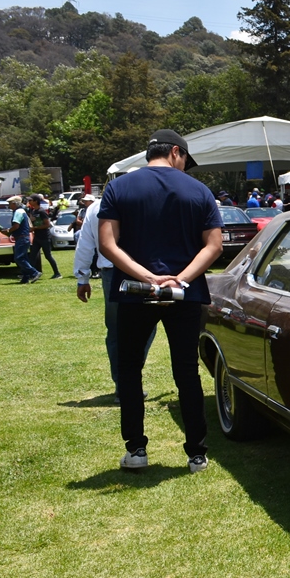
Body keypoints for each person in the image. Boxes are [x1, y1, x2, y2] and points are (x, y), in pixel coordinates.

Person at [98, 129, 223, 474]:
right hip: (184, 293)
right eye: (185, 159)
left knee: (129, 369)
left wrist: (147, 278)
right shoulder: (199, 190)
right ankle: (197, 453)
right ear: (175, 153)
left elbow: (107, 243)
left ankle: (136, 449)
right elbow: (213, 245)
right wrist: (180, 278)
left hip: (135, 293)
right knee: (186, 371)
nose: (184, 166)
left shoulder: (118, 187)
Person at [74, 195, 155, 402]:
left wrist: (82, 277)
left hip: (118, 273)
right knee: (140, 327)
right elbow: (86, 242)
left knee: (120, 330)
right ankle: (126, 381)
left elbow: (85, 243)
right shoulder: (144, 200)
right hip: (139, 271)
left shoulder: (97, 207)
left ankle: (125, 381)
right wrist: (82, 276)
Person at [0, 196, 41, 284]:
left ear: (15, 203)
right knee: (23, 257)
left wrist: (9, 230)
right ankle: (25, 278)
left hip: (21, 237)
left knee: (19, 258)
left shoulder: (18, 212)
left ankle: (34, 272)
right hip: (24, 237)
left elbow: (16, 225)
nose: (9, 205)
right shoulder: (21, 211)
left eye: (10, 203)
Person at [26, 194, 61, 278]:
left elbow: (47, 224)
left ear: (35, 201)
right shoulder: (33, 211)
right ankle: (31, 274)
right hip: (37, 237)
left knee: (48, 256)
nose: (29, 202)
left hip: (44, 237)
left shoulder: (42, 211)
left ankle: (57, 273)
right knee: (33, 256)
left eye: (30, 200)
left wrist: (35, 228)